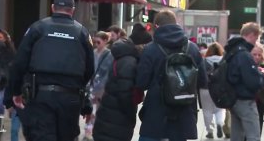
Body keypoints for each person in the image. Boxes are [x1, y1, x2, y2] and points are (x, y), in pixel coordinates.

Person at [11, 0, 95, 141]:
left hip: (41, 96)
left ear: (52, 7)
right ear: (73, 10)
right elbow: (90, 69)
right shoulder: (82, 32)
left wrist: (16, 91)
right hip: (70, 98)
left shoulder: (37, 28)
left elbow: (19, 63)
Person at [136, 9, 207, 141]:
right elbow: (202, 80)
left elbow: (142, 82)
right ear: (176, 24)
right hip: (183, 115)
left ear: (156, 26)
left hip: (155, 115)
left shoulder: (150, 49)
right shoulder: (192, 48)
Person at [93, 27, 151, 141]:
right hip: (117, 121)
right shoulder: (129, 62)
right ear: (141, 46)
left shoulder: (125, 58)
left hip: (109, 118)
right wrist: (130, 114)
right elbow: (125, 94)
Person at [225, 22, 264, 141]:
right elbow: (253, 82)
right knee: (253, 136)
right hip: (245, 101)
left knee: (237, 136)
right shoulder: (244, 55)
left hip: (234, 99)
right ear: (251, 35)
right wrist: (262, 75)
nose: (256, 41)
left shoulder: (232, 50)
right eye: (257, 37)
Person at [83, 31, 113, 141]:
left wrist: (102, 89)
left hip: (101, 88)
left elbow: (108, 74)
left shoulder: (109, 55)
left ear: (105, 41)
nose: (96, 44)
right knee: (89, 111)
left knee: (97, 111)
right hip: (91, 86)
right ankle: (88, 132)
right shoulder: (93, 53)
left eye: (98, 42)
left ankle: (92, 132)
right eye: (95, 42)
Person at [199, 42, 226, 139]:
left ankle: (209, 131)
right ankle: (220, 123)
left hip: (205, 88)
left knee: (207, 110)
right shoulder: (224, 61)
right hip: (220, 88)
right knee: (220, 109)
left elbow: (200, 75)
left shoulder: (203, 61)